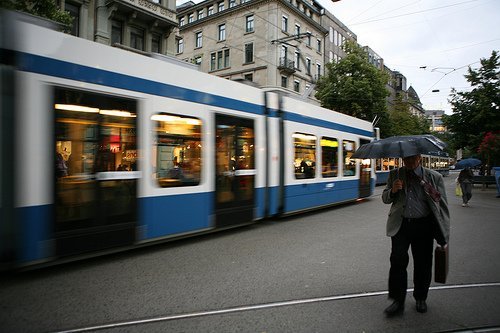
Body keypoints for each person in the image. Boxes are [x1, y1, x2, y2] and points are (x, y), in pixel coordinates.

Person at [382, 154, 450, 317]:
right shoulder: (395, 175)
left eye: (413, 159)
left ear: (419, 158)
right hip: (401, 225)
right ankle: (397, 301)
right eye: (406, 160)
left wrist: (444, 233)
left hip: (424, 225)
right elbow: (385, 198)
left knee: (423, 263)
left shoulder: (434, 177)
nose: (410, 163)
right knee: (397, 261)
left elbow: (441, 203)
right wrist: (393, 190)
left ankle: (421, 298)